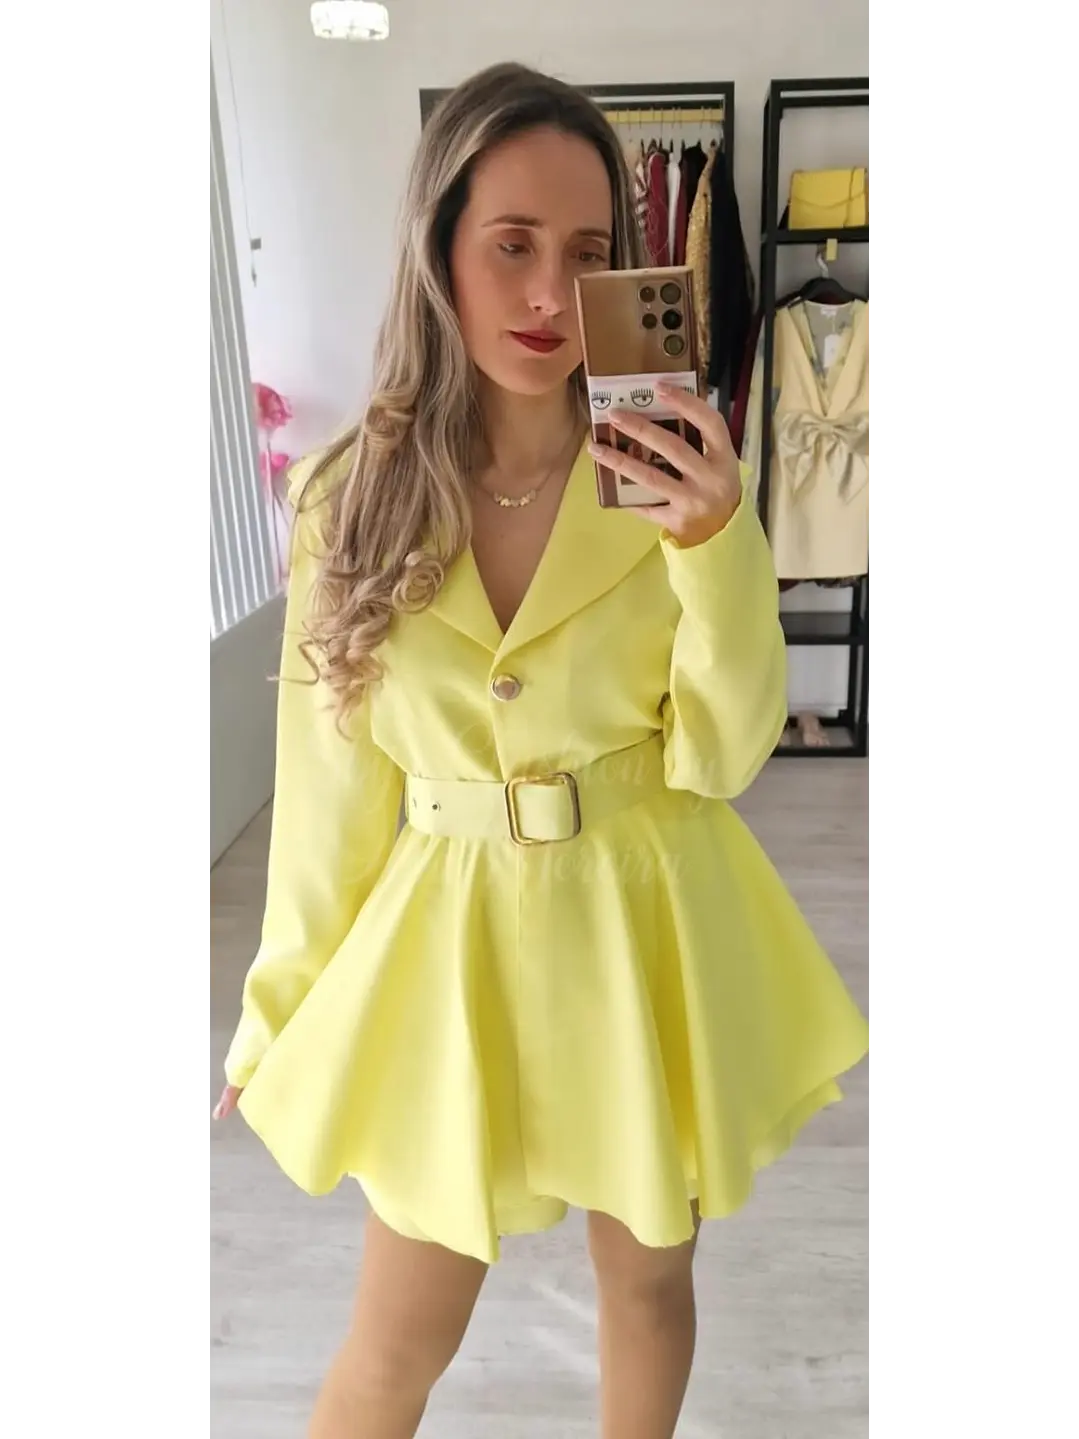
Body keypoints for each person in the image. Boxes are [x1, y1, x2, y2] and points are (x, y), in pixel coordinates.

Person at [211, 61, 871, 1439]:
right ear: (438, 246)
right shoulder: (349, 499)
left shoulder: (674, 474)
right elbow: (331, 795)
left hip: (647, 922)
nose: (547, 294)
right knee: (395, 1338)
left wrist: (714, 545)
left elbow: (723, 755)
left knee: (647, 1282)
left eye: (585, 253)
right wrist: (276, 1014)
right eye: (509, 243)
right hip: (448, 946)